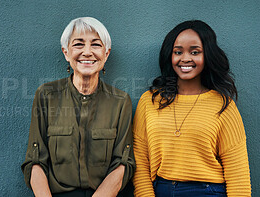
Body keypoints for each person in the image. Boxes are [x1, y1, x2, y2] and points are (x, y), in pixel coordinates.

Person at [132, 20, 251, 197]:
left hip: (209, 192)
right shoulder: (149, 100)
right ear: (169, 56)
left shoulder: (224, 105)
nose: (185, 58)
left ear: (207, 56)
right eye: (178, 52)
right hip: (161, 190)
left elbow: (238, 176)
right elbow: (140, 160)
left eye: (195, 52)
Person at [21, 17, 135, 197]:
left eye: (96, 45)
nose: (87, 52)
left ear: (106, 54)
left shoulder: (120, 101)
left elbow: (123, 163)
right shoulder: (46, 95)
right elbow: (35, 160)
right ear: (66, 52)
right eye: (79, 44)